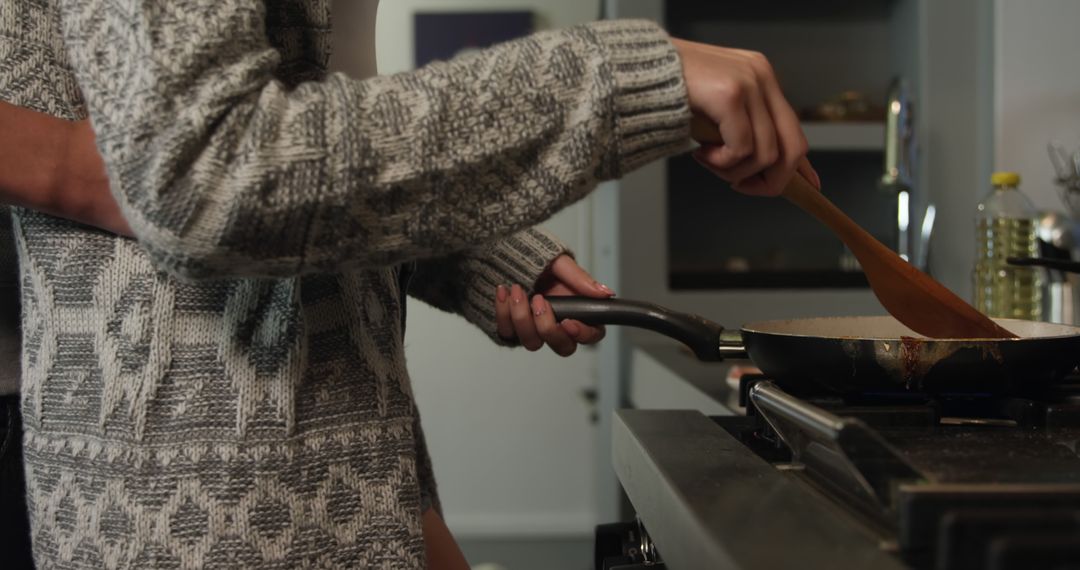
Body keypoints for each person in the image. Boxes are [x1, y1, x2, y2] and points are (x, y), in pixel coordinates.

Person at [0, 0, 817, 567]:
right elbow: (208, 179)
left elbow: (312, 159)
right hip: (204, 505)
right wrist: (617, 76)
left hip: (350, 467)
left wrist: (476, 250)